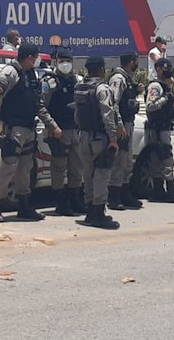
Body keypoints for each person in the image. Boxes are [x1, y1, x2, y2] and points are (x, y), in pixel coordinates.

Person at [0, 43, 62, 223]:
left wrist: (52, 125)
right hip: (14, 128)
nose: (37, 60)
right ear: (29, 57)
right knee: (8, 168)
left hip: (29, 127)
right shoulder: (9, 73)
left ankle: (24, 206)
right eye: (36, 56)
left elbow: (37, 104)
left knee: (25, 170)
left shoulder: (31, 74)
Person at [74, 56, 123, 229]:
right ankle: (98, 213)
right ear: (101, 69)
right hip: (100, 138)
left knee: (88, 175)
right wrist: (113, 139)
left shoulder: (79, 87)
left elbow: (77, 114)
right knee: (102, 175)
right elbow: (107, 114)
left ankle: (89, 211)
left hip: (84, 136)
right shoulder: (103, 89)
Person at [40, 47, 84, 216]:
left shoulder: (76, 80)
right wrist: (52, 126)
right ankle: (60, 203)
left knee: (77, 168)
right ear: (56, 62)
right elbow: (41, 105)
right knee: (59, 168)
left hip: (75, 130)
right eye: (62, 60)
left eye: (68, 60)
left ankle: (75, 201)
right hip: (58, 131)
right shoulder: (49, 82)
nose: (66, 64)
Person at [144, 57, 174, 204]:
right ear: (158, 70)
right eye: (165, 68)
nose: (168, 71)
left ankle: (160, 191)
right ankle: (169, 191)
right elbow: (150, 106)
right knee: (165, 159)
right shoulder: (156, 87)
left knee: (160, 160)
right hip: (157, 128)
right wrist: (166, 97)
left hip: (163, 126)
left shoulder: (165, 86)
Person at [108, 50, 144, 210]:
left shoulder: (127, 80)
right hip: (121, 126)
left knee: (127, 161)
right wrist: (119, 125)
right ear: (131, 62)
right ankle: (114, 197)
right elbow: (113, 103)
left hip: (128, 123)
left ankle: (125, 193)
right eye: (135, 61)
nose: (136, 64)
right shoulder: (118, 79)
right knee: (119, 161)